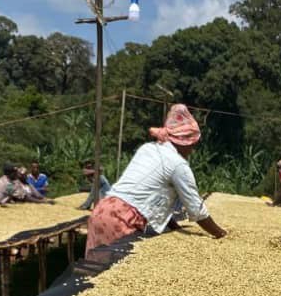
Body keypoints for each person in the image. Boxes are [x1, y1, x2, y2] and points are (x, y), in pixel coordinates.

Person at [86, 104, 226, 259]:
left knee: (93, 274)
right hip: (122, 220)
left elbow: (150, 196)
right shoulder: (178, 164)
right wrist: (221, 234)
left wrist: (174, 226)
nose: (192, 150)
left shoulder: (149, 148)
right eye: (192, 146)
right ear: (183, 142)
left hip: (102, 211)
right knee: (115, 275)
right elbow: (197, 210)